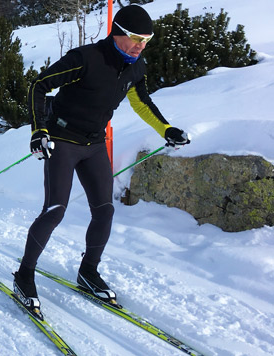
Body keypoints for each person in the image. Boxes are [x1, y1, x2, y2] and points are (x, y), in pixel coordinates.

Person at [14, 5, 191, 314]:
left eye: (147, 40)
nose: (141, 46)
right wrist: (38, 129)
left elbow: (140, 101)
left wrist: (167, 129)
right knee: (55, 210)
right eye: (136, 38)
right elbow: (39, 86)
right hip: (63, 140)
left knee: (105, 210)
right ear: (118, 33)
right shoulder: (86, 57)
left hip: (94, 143)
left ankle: (88, 271)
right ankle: (24, 275)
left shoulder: (136, 66)